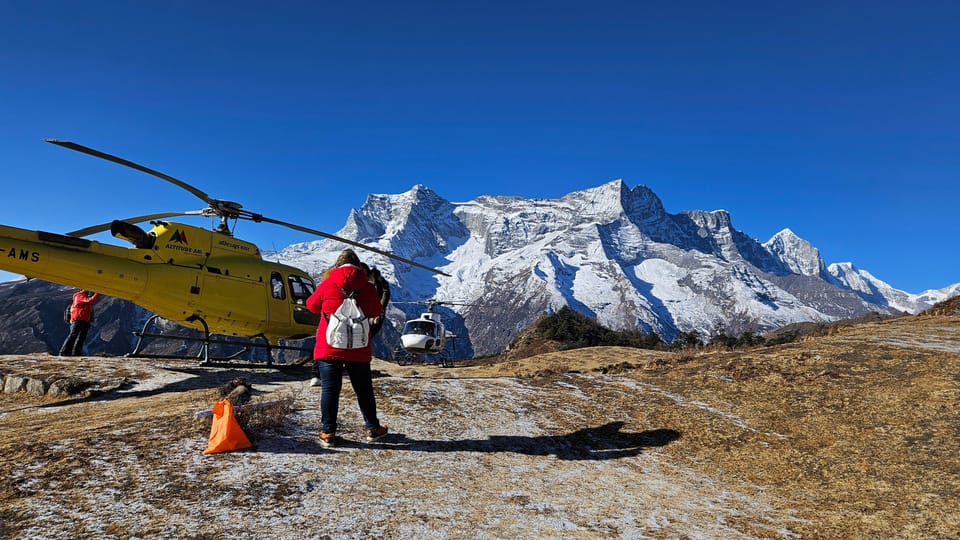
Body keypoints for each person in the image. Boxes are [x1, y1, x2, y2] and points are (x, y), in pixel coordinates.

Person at [305, 249, 387, 447]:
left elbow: (311, 306)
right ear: (358, 266)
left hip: (329, 347)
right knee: (364, 390)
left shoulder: (327, 284)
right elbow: (377, 310)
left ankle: (328, 433)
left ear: (337, 265)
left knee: (330, 390)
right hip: (358, 348)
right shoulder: (367, 288)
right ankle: (373, 428)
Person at [59, 289, 100, 357]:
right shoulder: (78, 296)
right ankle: (64, 352)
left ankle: (76, 353)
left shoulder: (84, 297)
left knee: (81, 337)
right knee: (73, 335)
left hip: (84, 320)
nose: (87, 290)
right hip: (78, 319)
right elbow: (90, 301)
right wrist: (98, 293)